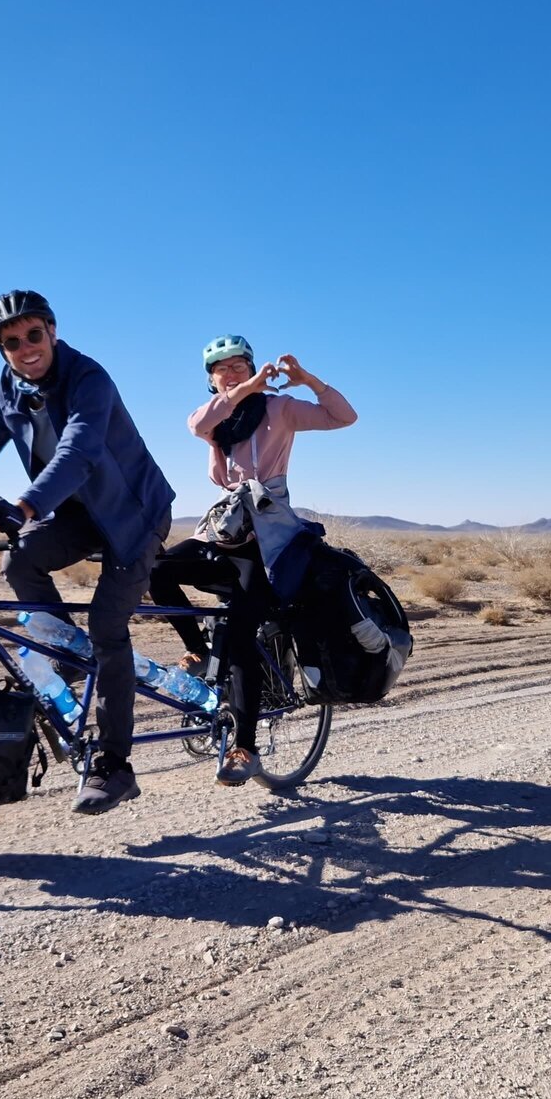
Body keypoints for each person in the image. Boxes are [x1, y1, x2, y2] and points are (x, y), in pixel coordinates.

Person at [0, 290, 175, 815]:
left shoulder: (88, 378)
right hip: (78, 515)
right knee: (19, 560)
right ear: (2, 350)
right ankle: (69, 656)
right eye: (12, 342)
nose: (25, 348)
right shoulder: (8, 393)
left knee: (107, 628)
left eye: (33, 335)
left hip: (135, 515)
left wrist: (27, 506)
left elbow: (80, 451)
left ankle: (114, 765)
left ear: (52, 331)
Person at [147, 334, 356, 785]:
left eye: (239, 365)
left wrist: (307, 380)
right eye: (220, 368)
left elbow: (344, 416)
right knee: (157, 569)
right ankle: (198, 650)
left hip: (266, 539)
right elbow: (196, 424)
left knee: (241, 636)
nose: (230, 373)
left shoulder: (280, 408)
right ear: (211, 380)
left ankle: (245, 748)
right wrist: (243, 390)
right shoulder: (215, 420)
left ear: (254, 368)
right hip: (223, 530)